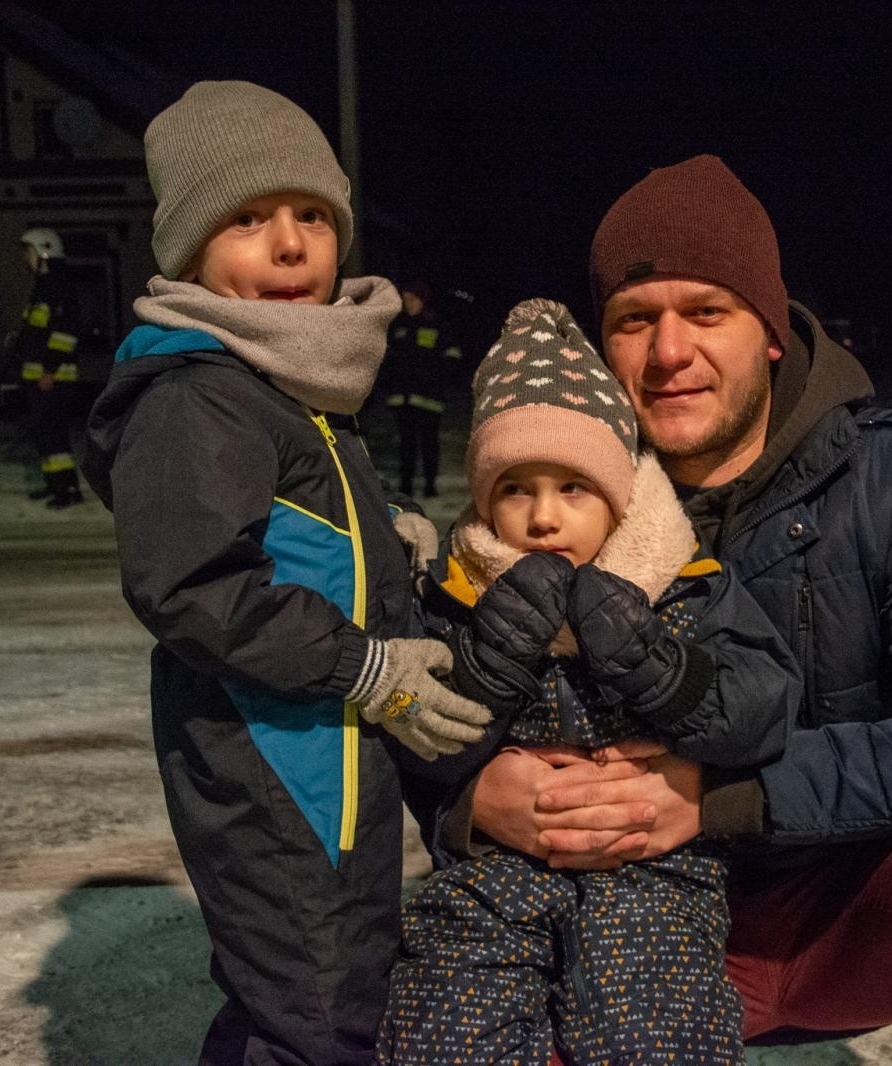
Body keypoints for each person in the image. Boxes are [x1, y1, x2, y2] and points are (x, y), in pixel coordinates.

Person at [433, 155, 892, 1065]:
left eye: (706, 312)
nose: (668, 354)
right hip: (606, 930)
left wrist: (728, 798)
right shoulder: (539, 505)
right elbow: (397, 719)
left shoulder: (888, 481)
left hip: (838, 917)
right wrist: (469, 800)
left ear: (770, 331)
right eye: (633, 321)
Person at [78, 81, 492, 1066]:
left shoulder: (281, 383)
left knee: (313, 997)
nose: (291, 242)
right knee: (321, 1011)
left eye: (311, 213)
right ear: (186, 249)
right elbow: (194, 584)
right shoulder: (199, 394)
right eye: (248, 217)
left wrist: (388, 546)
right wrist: (362, 666)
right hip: (271, 762)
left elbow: (291, 531)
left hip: (322, 759)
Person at [378, 298, 798, 1064]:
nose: (543, 517)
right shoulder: (456, 594)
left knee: (657, 1032)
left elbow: (763, 705)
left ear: (618, 492)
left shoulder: (684, 584)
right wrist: (490, 662)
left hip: (656, 877)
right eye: (515, 489)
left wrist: (659, 668)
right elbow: (414, 744)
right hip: (496, 874)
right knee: (446, 1021)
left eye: (573, 487)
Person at [14, 226, 84, 508]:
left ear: (43, 252)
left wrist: (49, 370)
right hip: (43, 376)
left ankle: (63, 492)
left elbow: (65, 334)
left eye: (27, 253)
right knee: (49, 434)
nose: (24, 259)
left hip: (52, 377)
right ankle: (63, 486)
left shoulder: (56, 287)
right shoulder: (45, 287)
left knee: (50, 434)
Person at [382, 281, 461, 497]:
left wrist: (437, 378)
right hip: (403, 398)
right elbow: (388, 360)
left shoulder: (437, 326)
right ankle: (406, 485)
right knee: (406, 444)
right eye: (405, 299)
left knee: (429, 443)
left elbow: (452, 357)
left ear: (423, 301)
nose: (407, 304)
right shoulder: (398, 327)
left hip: (429, 398)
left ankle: (429, 485)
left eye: (411, 299)